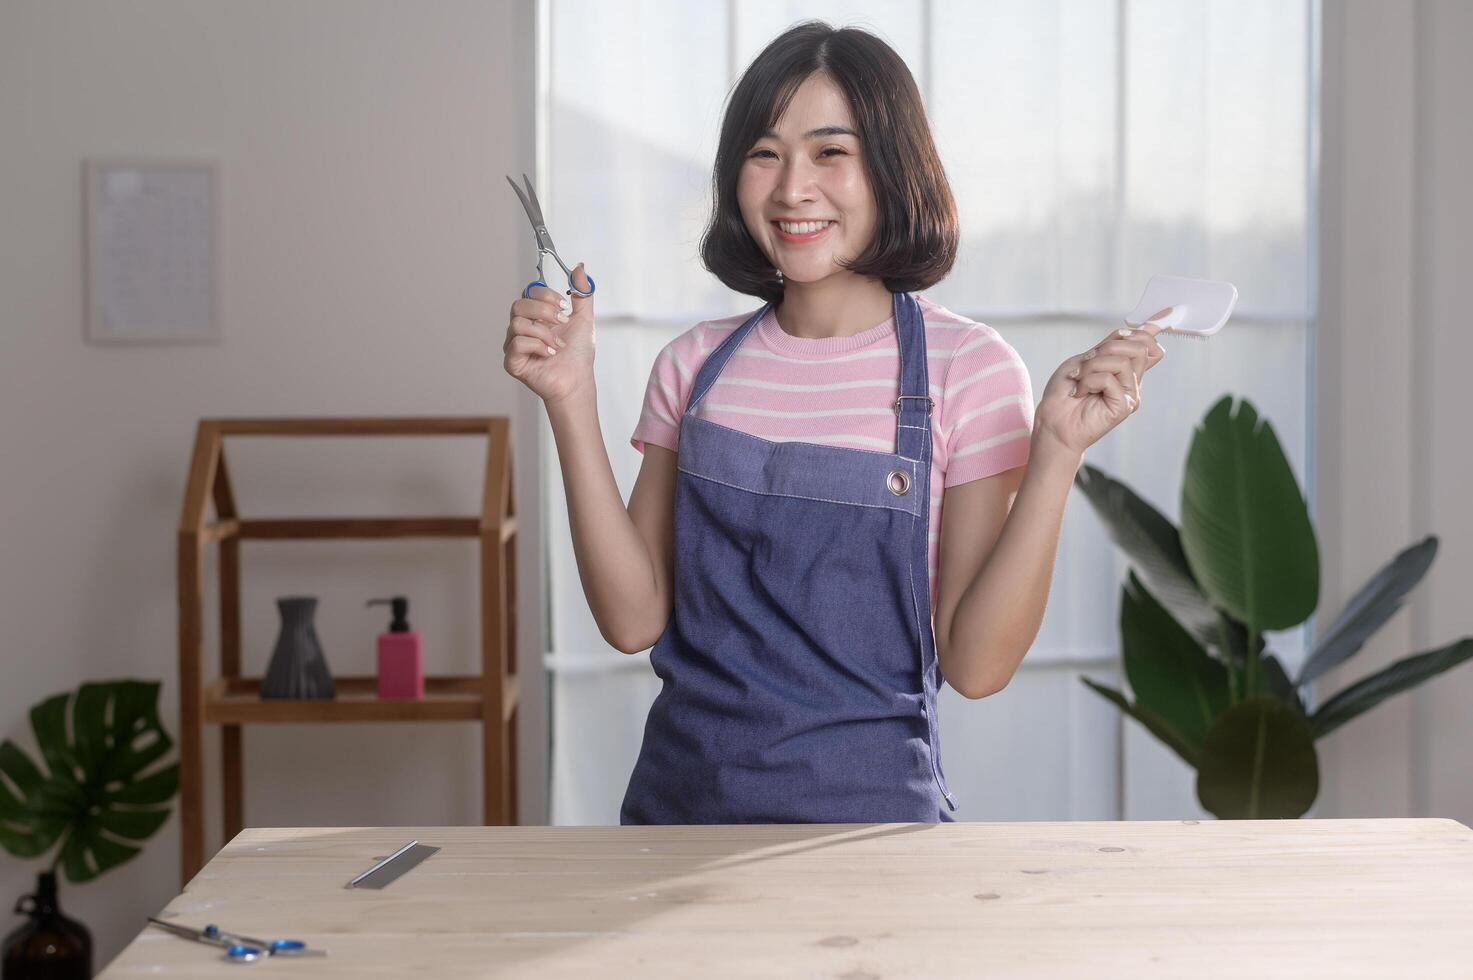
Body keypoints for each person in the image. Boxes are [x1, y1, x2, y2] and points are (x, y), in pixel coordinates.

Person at [502, 21, 1165, 824]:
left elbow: (977, 663)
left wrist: (1056, 451)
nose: (791, 189)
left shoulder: (968, 370)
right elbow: (631, 618)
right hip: (676, 823)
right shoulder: (694, 369)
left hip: (874, 842)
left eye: (829, 152)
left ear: (891, 168)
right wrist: (570, 399)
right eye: (764, 153)